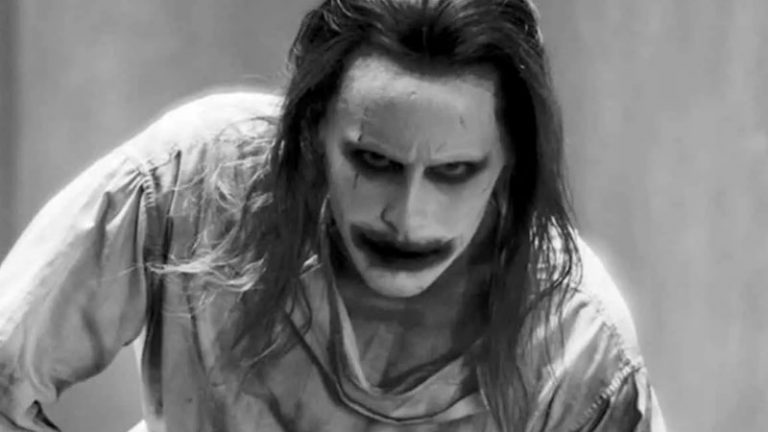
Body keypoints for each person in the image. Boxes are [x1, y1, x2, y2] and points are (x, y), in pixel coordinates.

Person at [0, 0, 666, 431]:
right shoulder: (193, 181)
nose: (407, 218)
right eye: (373, 161)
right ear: (312, 131)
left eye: (453, 172)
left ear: (512, 162)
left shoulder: (577, 344)